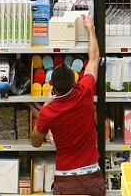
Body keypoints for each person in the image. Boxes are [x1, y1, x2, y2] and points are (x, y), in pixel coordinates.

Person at [29, 14, 104, 196]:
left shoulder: (49, 112)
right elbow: (94, 59)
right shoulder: (85, 92)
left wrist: (46, 104)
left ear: (52, 87)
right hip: (92, 178)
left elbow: (35, 142)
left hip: (65, 181)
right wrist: (91, 29)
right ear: (74, 82)